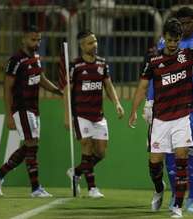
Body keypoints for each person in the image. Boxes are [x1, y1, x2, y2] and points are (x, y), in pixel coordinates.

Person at [128, 2, 193, 217]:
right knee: (159, 161)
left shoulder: (192, 52)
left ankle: (185, 202)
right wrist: (145, 105)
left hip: (191, 111)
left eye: (176, 38)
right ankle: (164, 191)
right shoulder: (156, 56)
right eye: (170, 39)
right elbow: (146, 84)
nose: (173, 42)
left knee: (187, 154)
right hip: (163, 115)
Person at [0, 25, 63, 197]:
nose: (37, 43)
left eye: (39, 39)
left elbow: (41, 78)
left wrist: (57, 91)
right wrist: (9, 116)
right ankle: (35, 188)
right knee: (31, 145)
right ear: (23, 39)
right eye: (33, 39)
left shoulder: (36, 56)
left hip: (34, 108)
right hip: (22, 108)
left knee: (31, 146)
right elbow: (7, 89)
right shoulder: (15, 60)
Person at [64, 30, 124, 198]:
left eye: (95, 41)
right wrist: (67, 115)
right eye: (90, 42)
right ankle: (92, 188)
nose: (95, 45)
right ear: (82, 46)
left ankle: (75, 172)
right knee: (87, 145)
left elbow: (108, 85)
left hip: (98, 115)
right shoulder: (75, 65)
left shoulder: (102, 64)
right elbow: (67, 90)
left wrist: (117, 103)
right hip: (81, 114)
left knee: (101, 153)